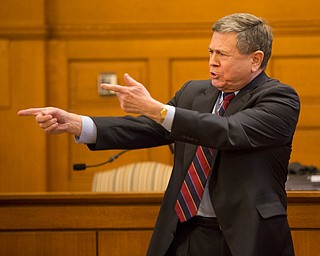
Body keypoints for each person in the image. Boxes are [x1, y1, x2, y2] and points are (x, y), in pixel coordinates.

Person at [18, 13, 300, 256]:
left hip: (245, 237)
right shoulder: (194, 92)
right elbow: (152, 127)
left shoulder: (279, 98)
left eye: (222, 54)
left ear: (255, 59)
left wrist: (159, 109)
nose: (212, 62)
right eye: (210, 52)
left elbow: (229, 131)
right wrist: (80, 124)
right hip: (185, 232)